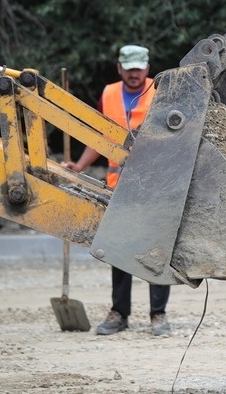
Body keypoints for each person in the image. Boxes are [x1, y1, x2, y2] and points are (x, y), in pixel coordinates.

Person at [63, 44, 172, 337]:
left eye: (139, 69)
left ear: (147, 69)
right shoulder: (109, 94)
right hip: (119, 188)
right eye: (129, 69)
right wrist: (80, 167)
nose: (134, 74)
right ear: (119, 68)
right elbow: (99, 136)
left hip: (155, 186)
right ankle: (119, 313)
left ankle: (158, 315)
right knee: (119, 250)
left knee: (156, 251)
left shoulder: (161, 92)